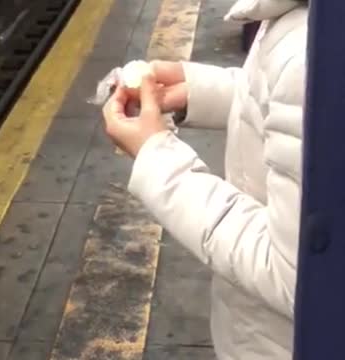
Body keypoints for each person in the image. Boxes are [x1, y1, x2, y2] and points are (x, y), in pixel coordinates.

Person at [102, 0, 308, 358]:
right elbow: (284, 102)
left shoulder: (305, 49)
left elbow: (293, 276)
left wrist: (157, 156)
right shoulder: (307, 22)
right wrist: (197, 90)